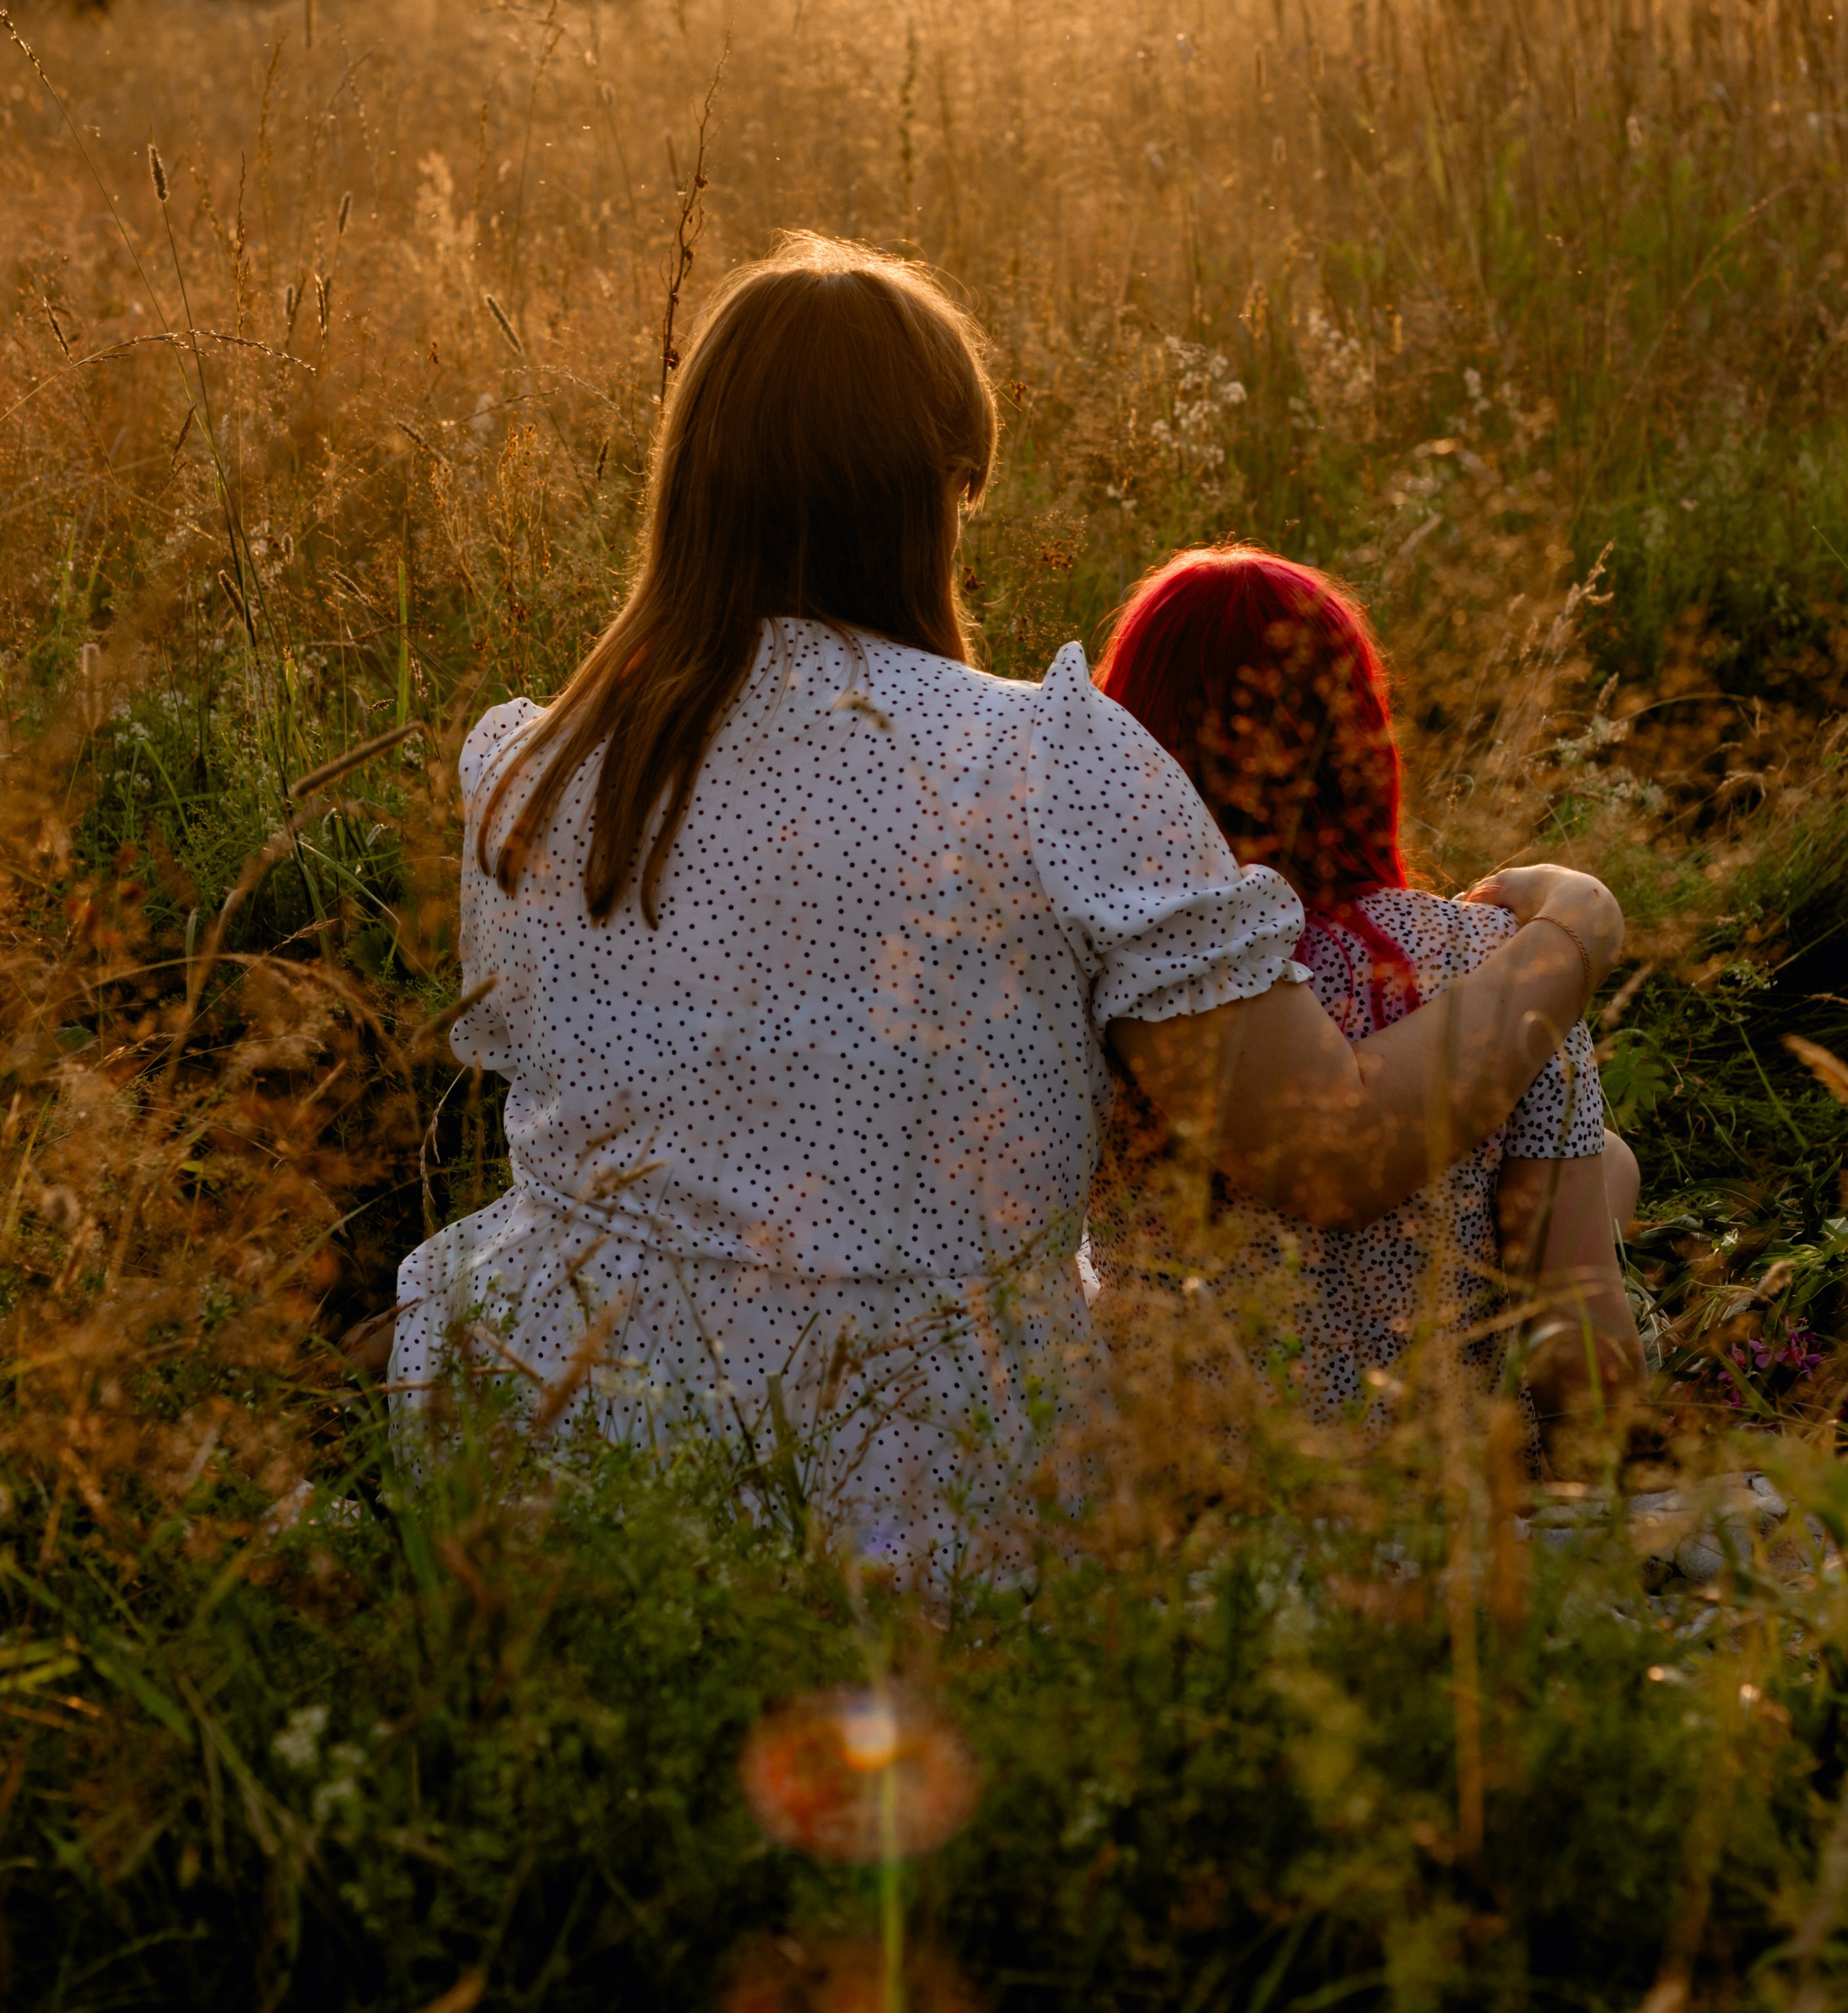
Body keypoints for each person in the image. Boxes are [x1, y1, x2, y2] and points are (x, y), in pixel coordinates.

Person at [390, 237, 1621, 1571]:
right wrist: (1565, 939)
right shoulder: (1046, 762)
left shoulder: (530, 766)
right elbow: (1327, 1155)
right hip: (906, 1495)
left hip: (541, 1457)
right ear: (935, 493)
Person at [1091, 546, 1647, 1442]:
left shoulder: (1108, 969)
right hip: (1431, 1498)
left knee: (1608, 1163)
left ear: (1132, 741)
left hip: (1179, 1509)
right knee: (1604, 1171)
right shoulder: (1502, 960)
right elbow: (1585, 1368)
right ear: (1359, 736)